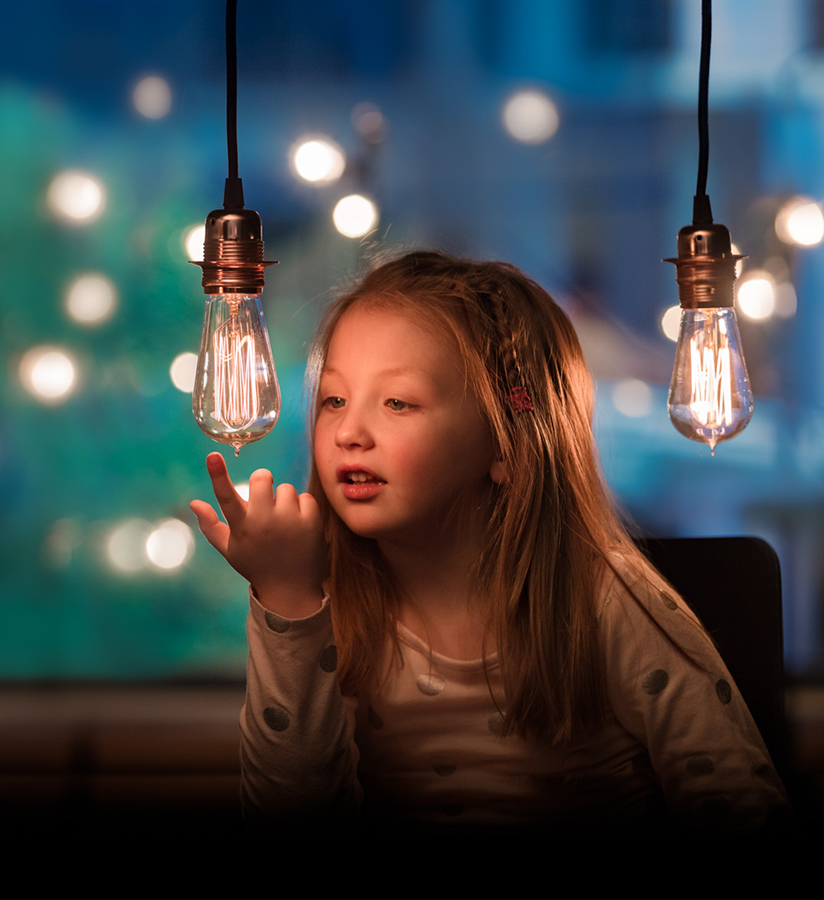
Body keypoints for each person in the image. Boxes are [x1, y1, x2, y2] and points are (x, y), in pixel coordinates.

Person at [190, 250, 788, 830]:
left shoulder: (607, 600)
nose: (349, 431)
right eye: (334, 400)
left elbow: (739, 800)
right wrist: (288, 601)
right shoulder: (327, 603)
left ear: (506, 446)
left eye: (398, 402)